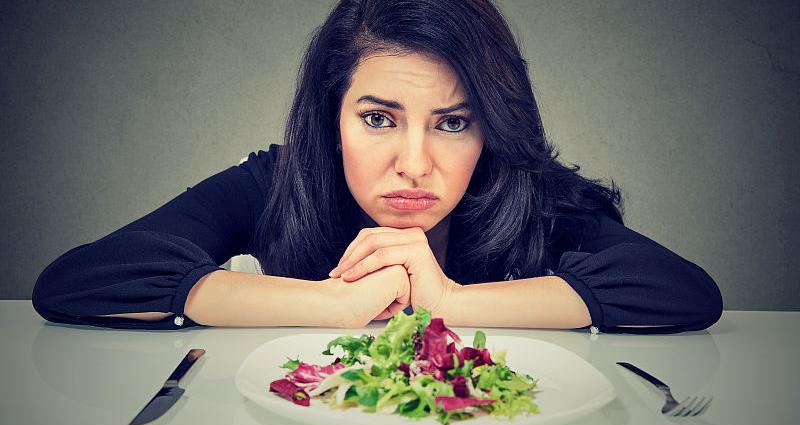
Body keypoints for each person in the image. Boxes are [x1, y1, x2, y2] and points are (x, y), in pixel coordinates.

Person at [31, 0, 722, 333]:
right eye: (378, 118)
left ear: (491, 129)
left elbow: (683, 293)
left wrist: (446, 300)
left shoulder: (528, 195)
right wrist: (333, 303)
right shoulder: (276, 182)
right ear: (331, 117)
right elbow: (77, 281)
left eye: (454, 123)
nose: (414, 164)